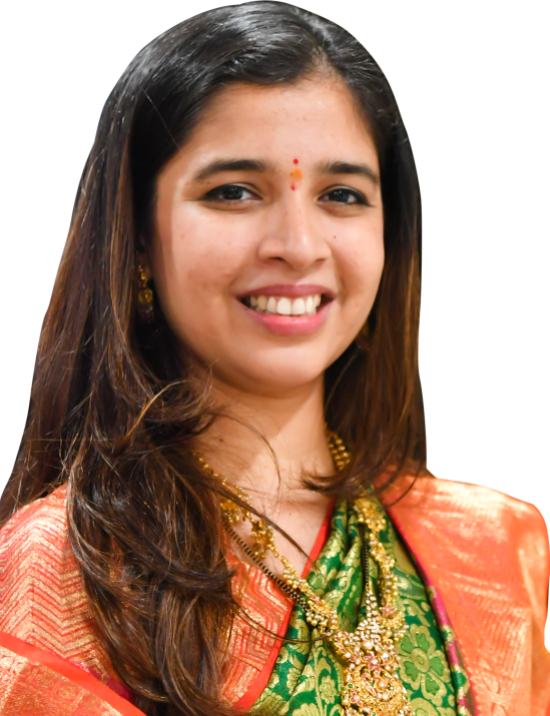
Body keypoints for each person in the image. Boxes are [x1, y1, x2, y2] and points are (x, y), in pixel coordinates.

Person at [0, 3, 548, 715]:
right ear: (137, 238)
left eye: (342, 195)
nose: (298, 245)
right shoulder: (70, 568)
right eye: (233, 192)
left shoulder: (496, 548)